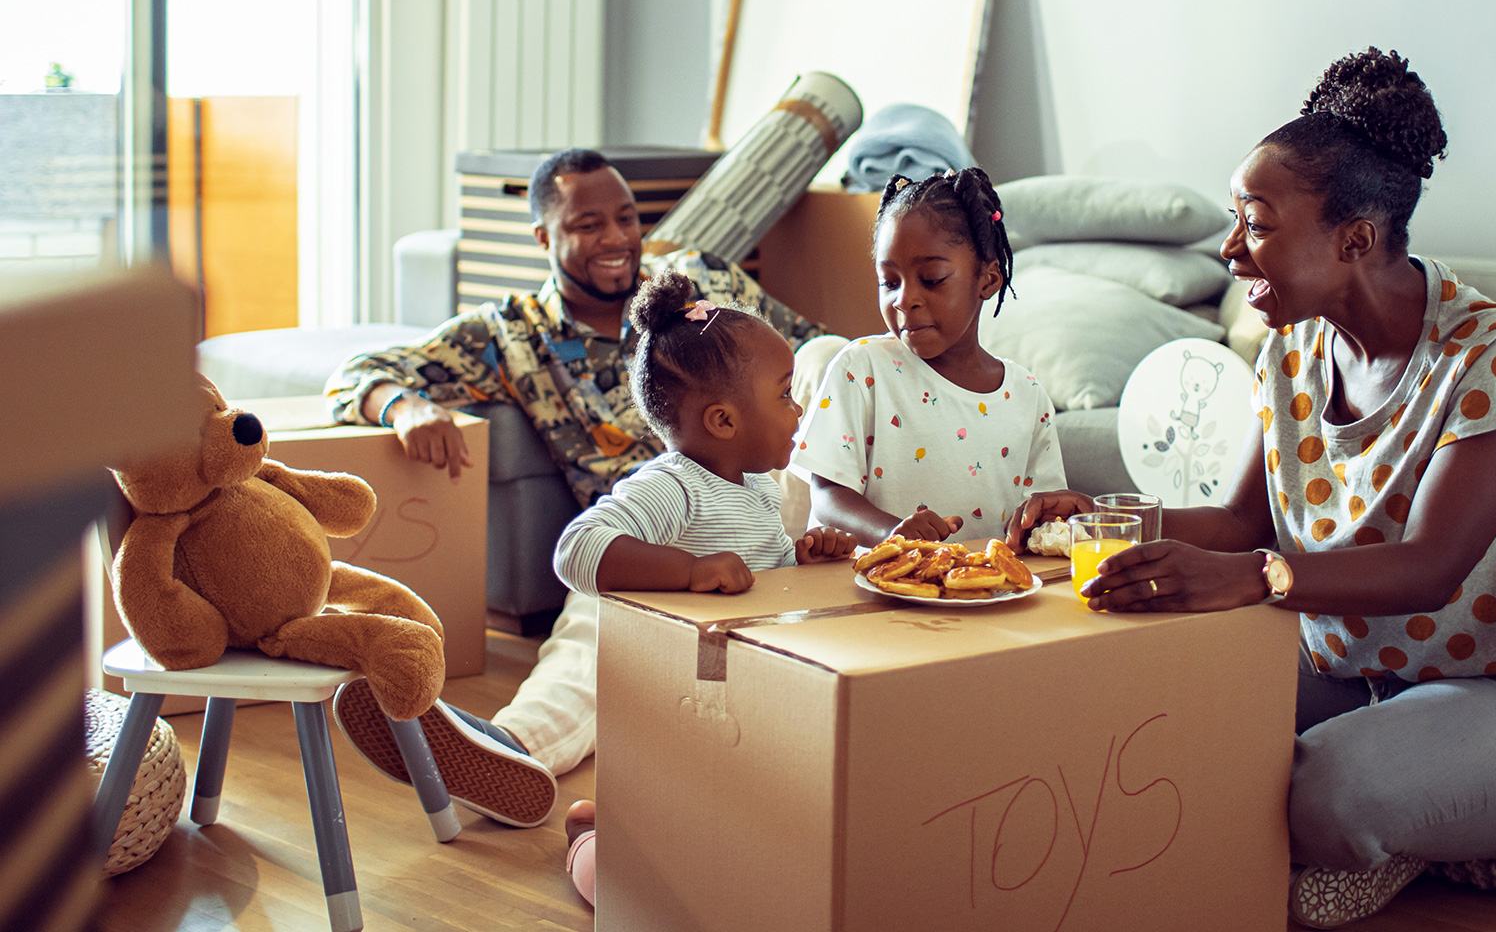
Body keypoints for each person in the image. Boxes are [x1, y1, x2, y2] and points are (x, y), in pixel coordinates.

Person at [1007, 49, 1496, 929]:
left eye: (1255, 224)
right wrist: (1106, 518)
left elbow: (1431, 568)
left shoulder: (1491, 352)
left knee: (1326, 797)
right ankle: (1387, 797)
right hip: (1350, 669)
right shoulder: (1291, 346)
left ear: (1355, 240)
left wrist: (1262, 576)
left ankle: (1397, 822)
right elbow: (1235, 518)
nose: (1230, 250)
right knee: (1138, 719)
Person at [322, 148, 830, 828]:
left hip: (776, 479)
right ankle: (505, 751)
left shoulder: (698, 278)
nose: (618, 238)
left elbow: (814, 348)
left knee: (834, 361)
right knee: (598, 611)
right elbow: (362, 369)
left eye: (626, 217)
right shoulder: (509, 333)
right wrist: (408, 407)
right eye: (589, 224)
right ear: (544, 237)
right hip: (651, 522)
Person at [550, 270, 857, 905]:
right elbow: (576, 550)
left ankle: (607, 815)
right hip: (681, 713)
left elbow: (758, 588)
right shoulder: (675, 486)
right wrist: (688, 571)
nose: (798, 410)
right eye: (784, 395)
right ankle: (591, 842)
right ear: (722, 419)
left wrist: (801, 562)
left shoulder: (758, 489)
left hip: (748, 707)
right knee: (641, 883)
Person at [792, 168, 1068, 545]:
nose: (904, 300)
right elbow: (827, 498)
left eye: (932, 278)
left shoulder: (1027, 395)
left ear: (987, 280)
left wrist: (1042, 523)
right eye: (889, 283)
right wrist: (893, 534)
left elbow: (1043, 511)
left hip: (977, 593)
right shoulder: (861, 369)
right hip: (871, 591)